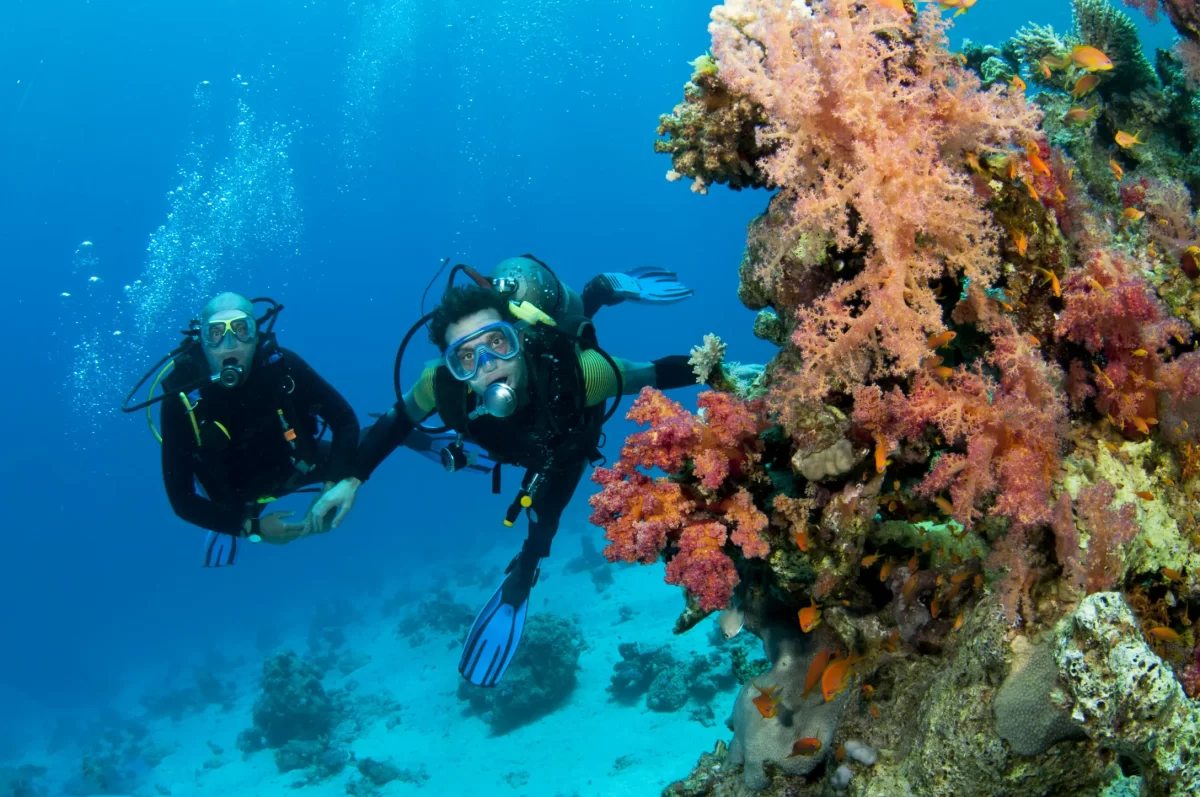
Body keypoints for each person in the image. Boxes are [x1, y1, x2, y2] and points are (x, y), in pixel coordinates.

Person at [311, 255, 700, 686]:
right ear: (454, 369)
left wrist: (722, 369)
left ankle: (601, 289)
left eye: (497, 343)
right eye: (466, 357)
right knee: (541, 511)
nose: (488, 365)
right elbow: (396, 421)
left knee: (543, 522)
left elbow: (652, 372)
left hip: (565, 438)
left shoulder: (577, 374)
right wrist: (352, 478)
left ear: (518, 337)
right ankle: (522, 576)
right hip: (530, 444)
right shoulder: (442, 388)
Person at [153, 292, 361, 564]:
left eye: (241, 330)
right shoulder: (180, 398)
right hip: (236, 498)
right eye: (216, 334)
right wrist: (252, 529)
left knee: (366, 449)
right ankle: (228, 527)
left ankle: (415, 427)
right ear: (202, 341)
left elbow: (344, 420)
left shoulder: (283, 366)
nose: (229, 344)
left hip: (298, 465)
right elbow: (181, 499)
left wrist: (333, 484)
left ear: (256, 333)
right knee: (228, 516)